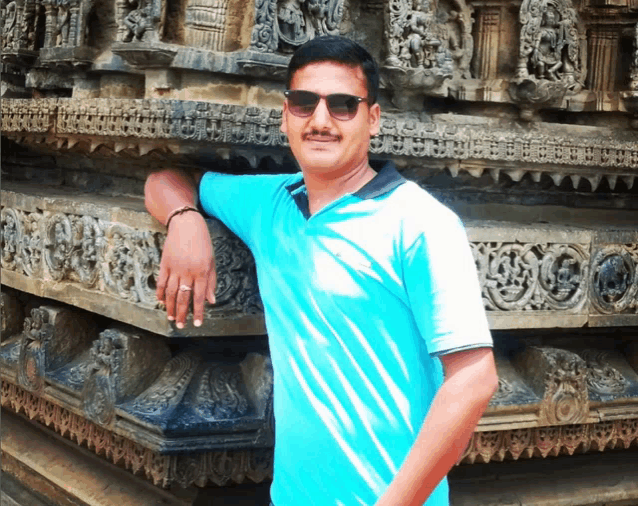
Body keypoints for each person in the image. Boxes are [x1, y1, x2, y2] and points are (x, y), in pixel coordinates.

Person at [144, 35, 498, 506]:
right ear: (285, 115)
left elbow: (474, 379)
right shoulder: (271, 203)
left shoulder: (420, 223)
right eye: (304, 103)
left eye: (343, 105)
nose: (321, 121)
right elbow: (165, 178)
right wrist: (184, 221)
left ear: (373, 119)